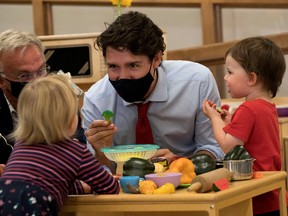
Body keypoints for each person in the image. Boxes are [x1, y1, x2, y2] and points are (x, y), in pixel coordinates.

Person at [82, 11, 224, 173]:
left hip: (191, 183)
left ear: (156, 59)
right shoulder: (96, 100)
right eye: (113, 67)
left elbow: (212, 147)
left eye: (133, 65)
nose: (122, 77)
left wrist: (179, 164)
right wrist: (101, 152)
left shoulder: (197, 82)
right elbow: (100, 172)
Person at [0, 74, 120, 215]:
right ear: (70, 120)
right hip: (34, 206)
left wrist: (81, 187)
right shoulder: (75, 151)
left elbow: (55, 182)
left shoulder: (21, 145)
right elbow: (109, 187)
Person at [202, 36, 287, 215]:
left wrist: (214, 119)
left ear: (251, 78)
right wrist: (230, 122)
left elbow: (228, 146)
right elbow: (252, 139)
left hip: (255, 196)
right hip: (272, 191)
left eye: (230, 72)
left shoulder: (248, 109)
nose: (225, 78)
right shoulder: (267, 107)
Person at [0, 29, 86, 164]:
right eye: (24, 76)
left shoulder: (60, 99)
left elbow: (80, 154)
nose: (37, 81)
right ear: (1, 81)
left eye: (41, 70)